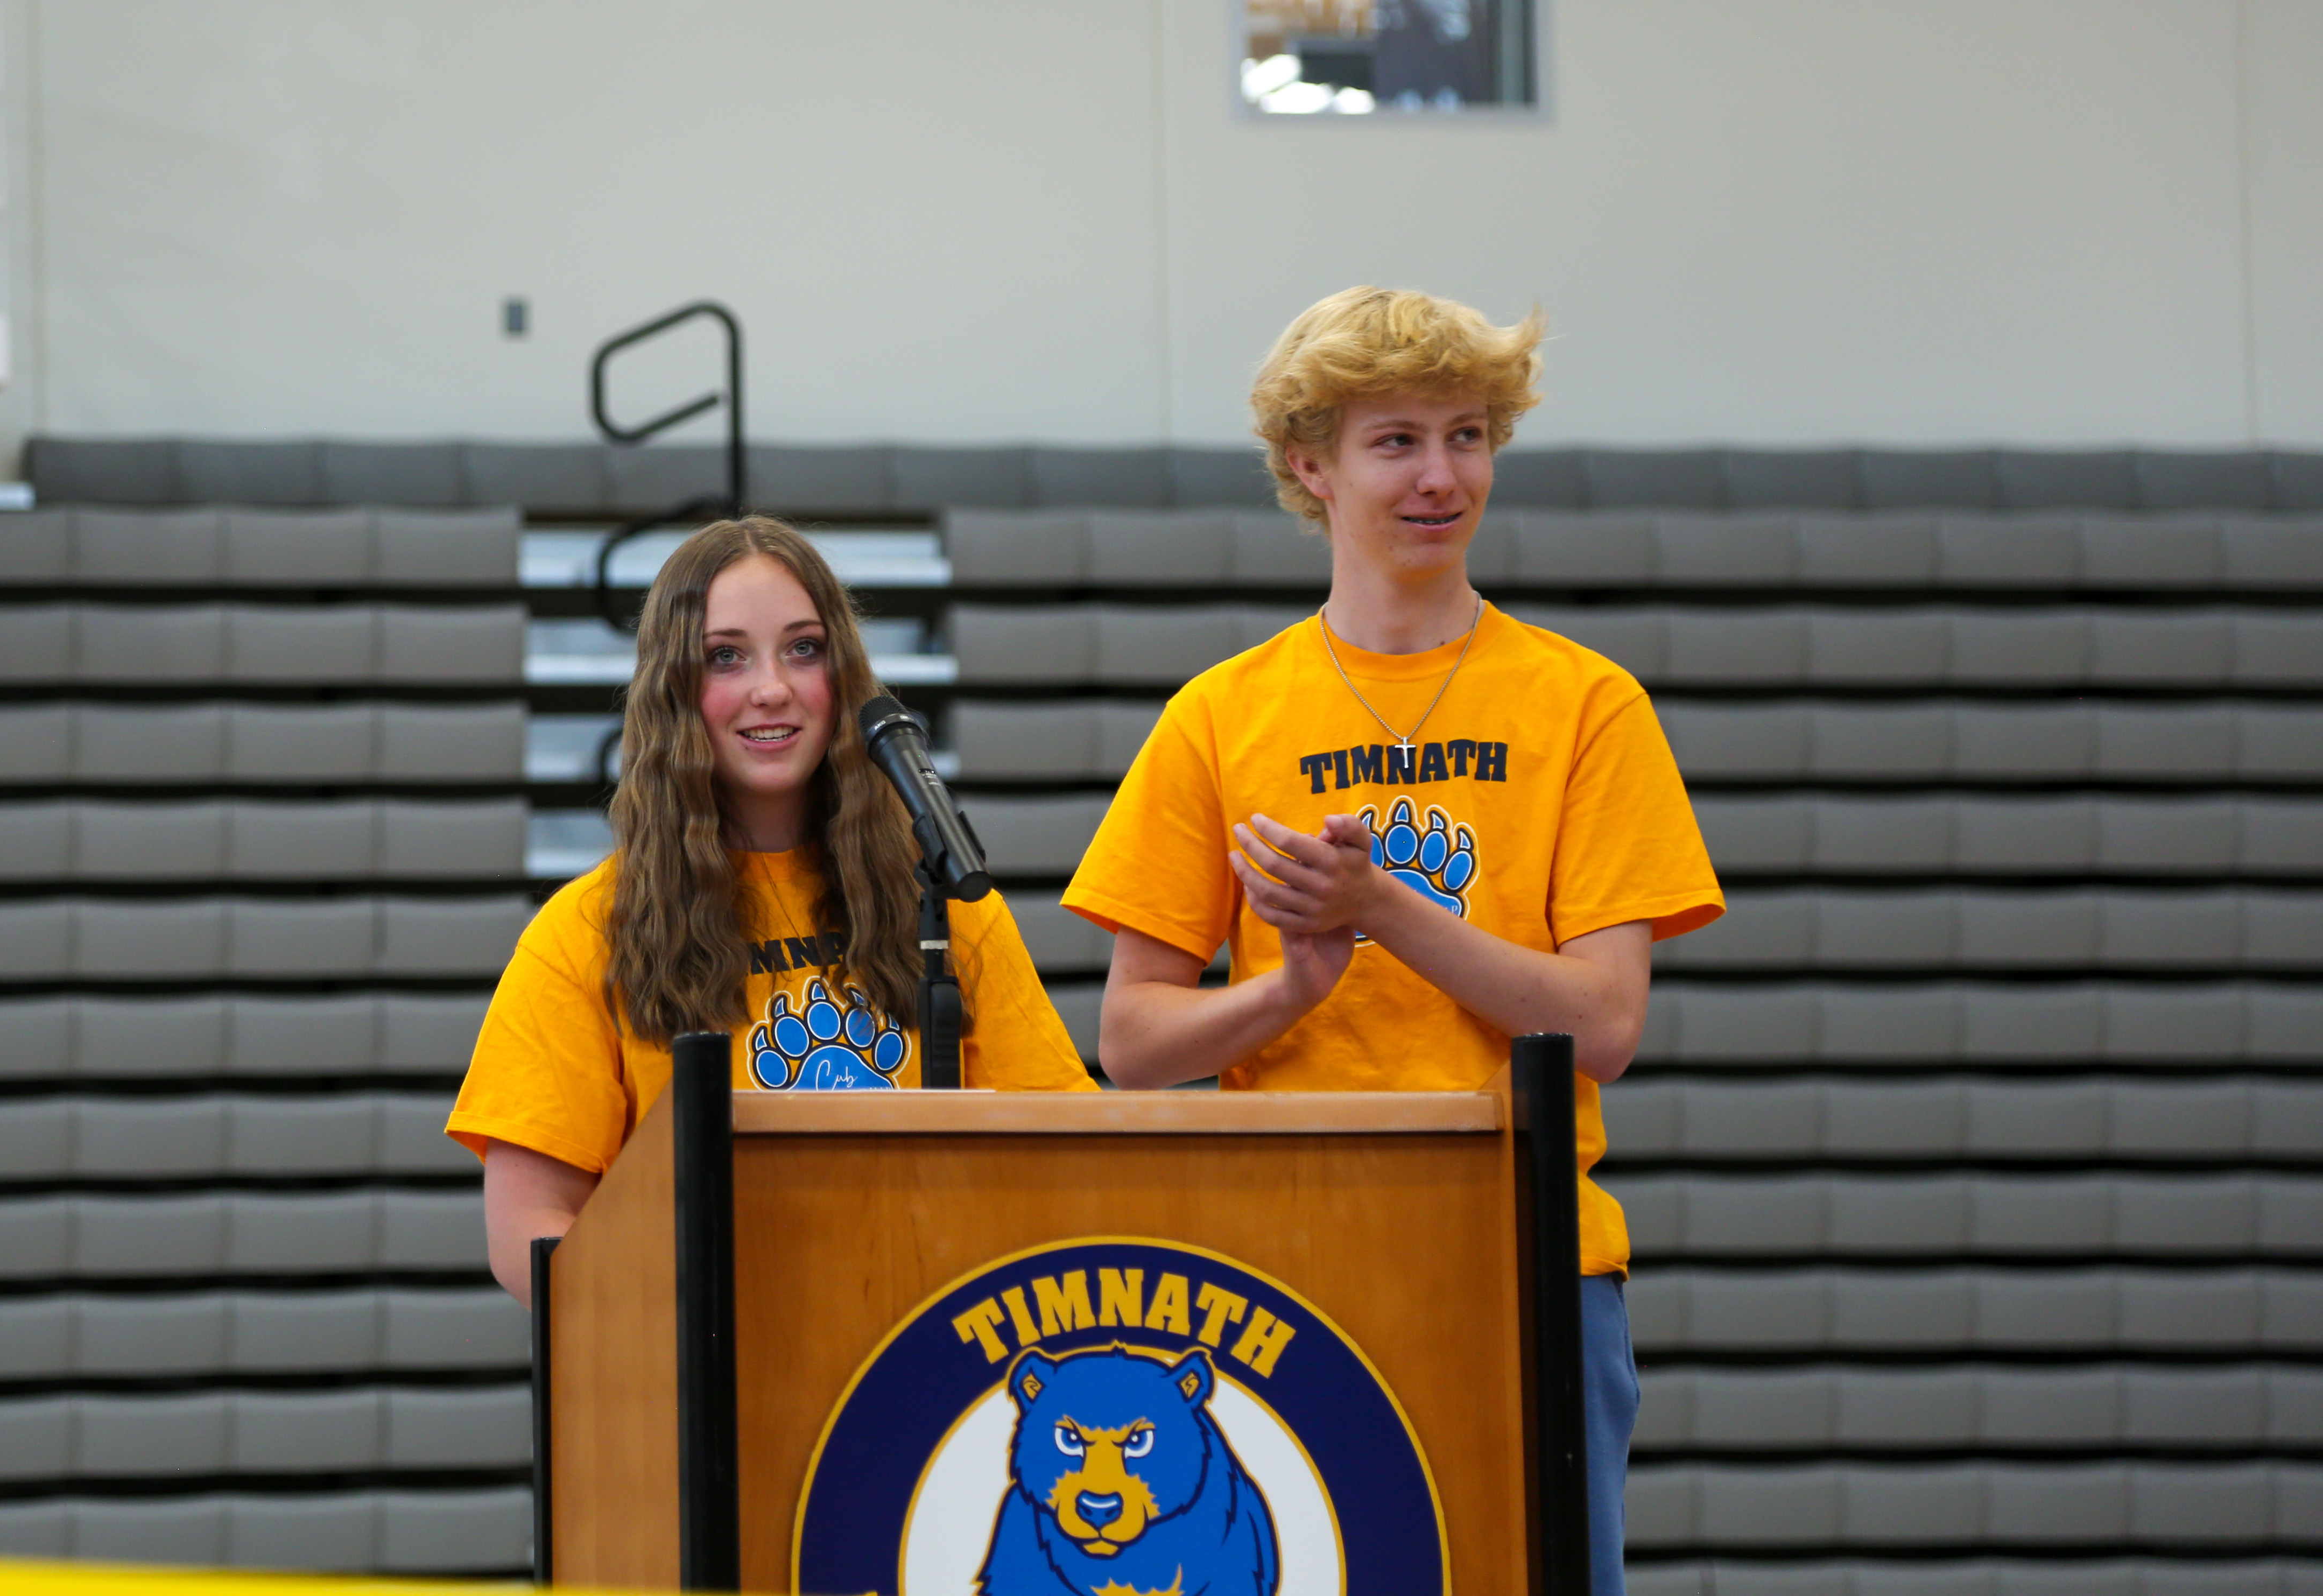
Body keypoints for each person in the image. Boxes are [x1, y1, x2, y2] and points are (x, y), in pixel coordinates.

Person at [1062, 286, 1723, 1596]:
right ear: (1308, 464)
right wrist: (1290, 988)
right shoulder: (1217, 719)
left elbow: (1603, 1025)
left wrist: (1385, 916)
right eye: (1396, 441)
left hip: (1526, 1259)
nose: (1441, 476)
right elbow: (1130, 1044)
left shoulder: (1588, 706)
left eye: (1467, 436)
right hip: (1279, 1272)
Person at [450, 517, 1093, 1305]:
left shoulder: (945, 906)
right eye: (726, 656)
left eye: (803, 648)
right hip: (702, 1372)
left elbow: (1061, 1156)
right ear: (675, 691)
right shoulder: (585, 931)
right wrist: (676, 1311)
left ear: (845, 677)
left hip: (915, 1359)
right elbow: (529, 1225)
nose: (771, 687)